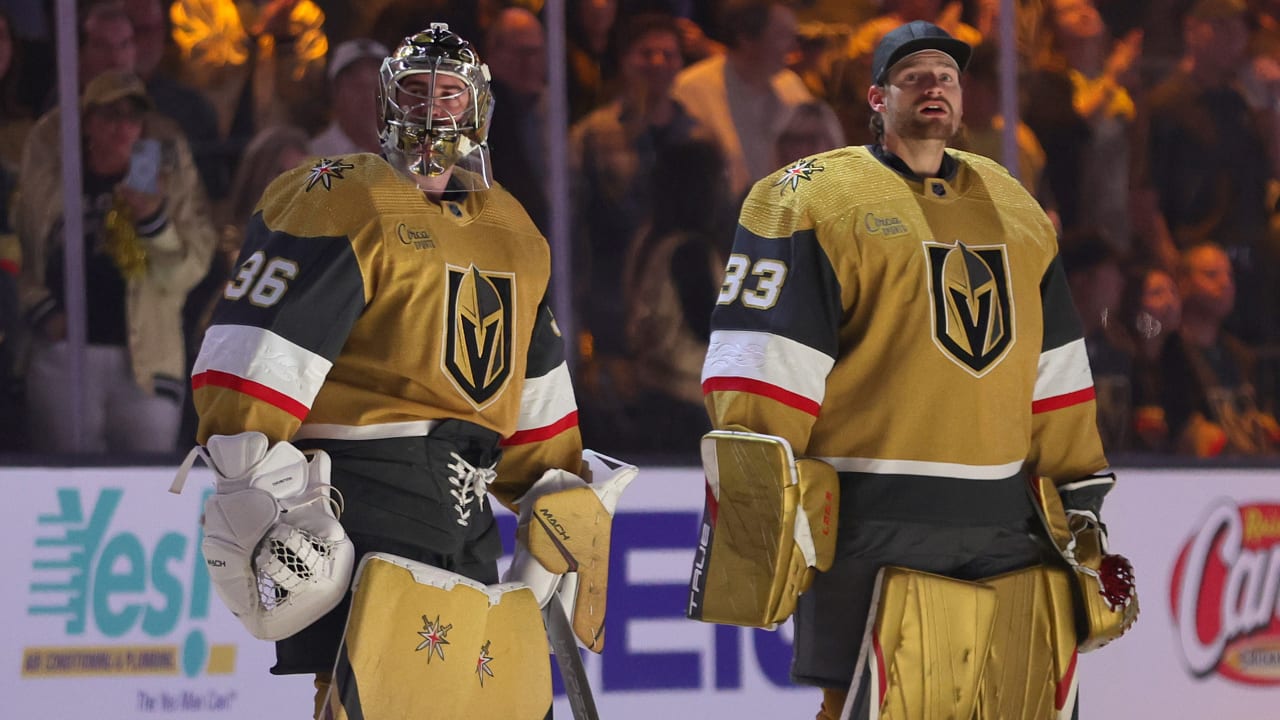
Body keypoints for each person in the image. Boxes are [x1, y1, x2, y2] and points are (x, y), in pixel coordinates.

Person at [695, 21, 1132, 719]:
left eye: (948, 77)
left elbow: (1054, 368)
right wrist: (763, 497)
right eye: (914, 76)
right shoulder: (815, 197)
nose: (934, 87)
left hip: (1005, 522)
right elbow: (762, 366)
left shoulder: (1014, 206)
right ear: (876, 97)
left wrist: (1079, 496)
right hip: (874, 515)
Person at [185, 24, 585, 718]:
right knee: (375, 699)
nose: (432, 111)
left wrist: (560, 492)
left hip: (466, 516)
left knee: (481, 703)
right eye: (416, 91)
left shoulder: (515, 230)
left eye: (449, 93)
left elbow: (534, 388)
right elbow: (252, 357)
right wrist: (249, 477)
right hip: (362, 499)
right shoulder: (342, 193)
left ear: (479, 109)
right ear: (383, 103)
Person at [18, 70, 216, 454]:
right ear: (87, 122)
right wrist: (44, 314)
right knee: (66, 478)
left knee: (145, 487)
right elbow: (23, 253)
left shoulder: (167, 179)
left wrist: (153, 220)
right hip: (65, 355)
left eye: (132, 117)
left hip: (145, 361)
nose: (122, 127)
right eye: (110, 115)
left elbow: (189, 270)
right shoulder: (52, 179)